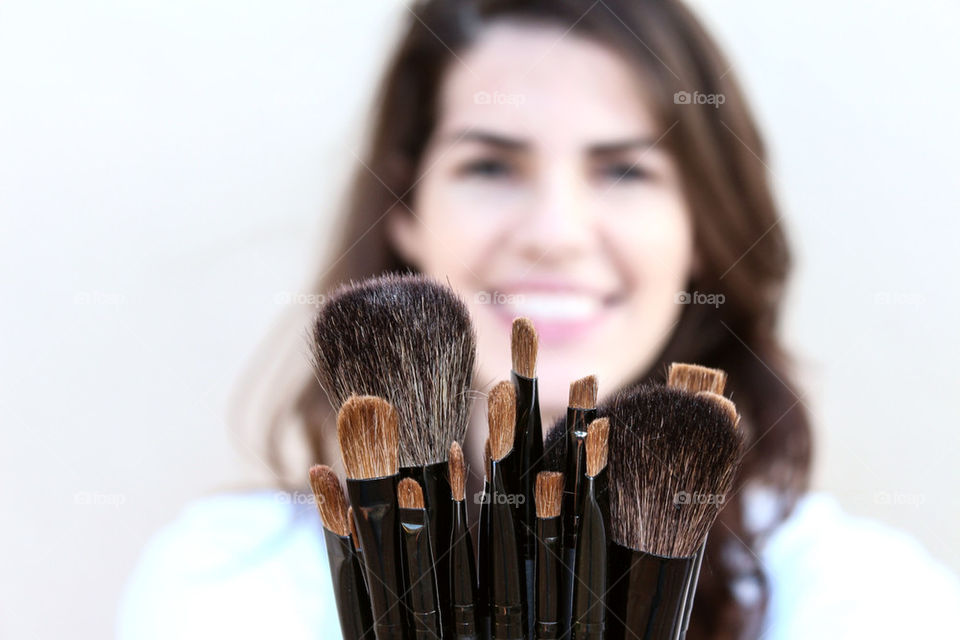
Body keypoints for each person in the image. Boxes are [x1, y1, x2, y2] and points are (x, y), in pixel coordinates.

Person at [118, 1, 960, 638]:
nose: (555, 234)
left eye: (625, 171)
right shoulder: (228, 583)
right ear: (408, 208)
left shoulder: (866, 598)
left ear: (702, 227)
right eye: (490, 163)